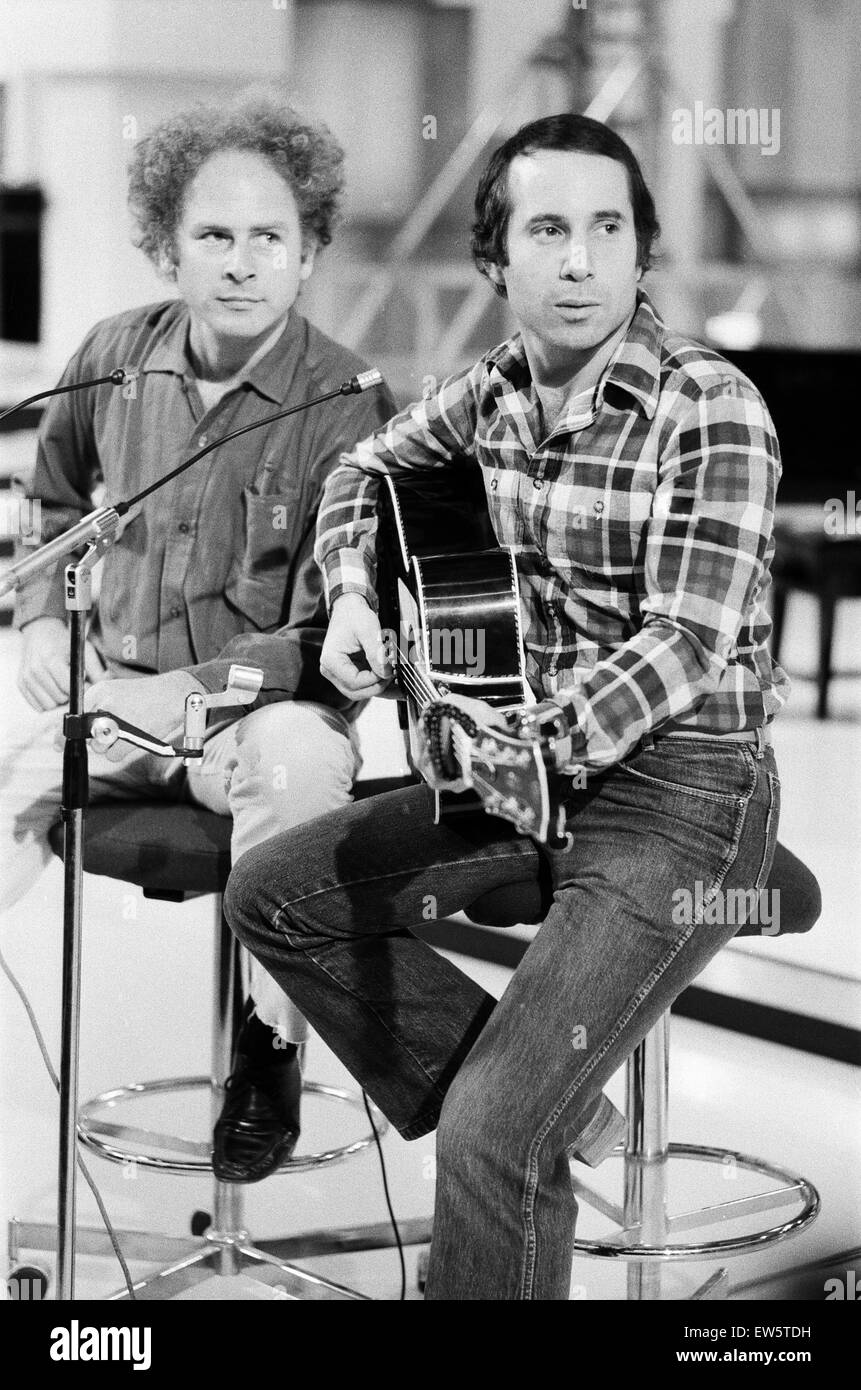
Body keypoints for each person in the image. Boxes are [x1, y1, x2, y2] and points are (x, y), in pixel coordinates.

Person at [224, 113, 789, 1297]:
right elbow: (359, 470)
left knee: (487, 1131)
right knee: (272, 896)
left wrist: (513, 748)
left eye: (606, 230)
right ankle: (547, 1104)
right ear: (497, 259)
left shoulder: (710, 403)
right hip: (522, 773)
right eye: (547, 229)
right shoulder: (488, 395)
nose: (579, 260)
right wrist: (351, 601)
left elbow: (685, 642)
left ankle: (517, 1116)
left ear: (642, 255)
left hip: (684, 792)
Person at [3, 93, 395, 1184]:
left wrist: (178, 689)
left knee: (299, 758)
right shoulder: (111, 355)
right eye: (212, 236)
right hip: (112, 708)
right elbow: (49, 493)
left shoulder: (348, 401)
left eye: (269, 236)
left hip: (251, 727)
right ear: (166, 247)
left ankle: (266, 1051)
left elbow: (330, 628)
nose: (240, 261)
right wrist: (40, 614)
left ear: (310, 249)